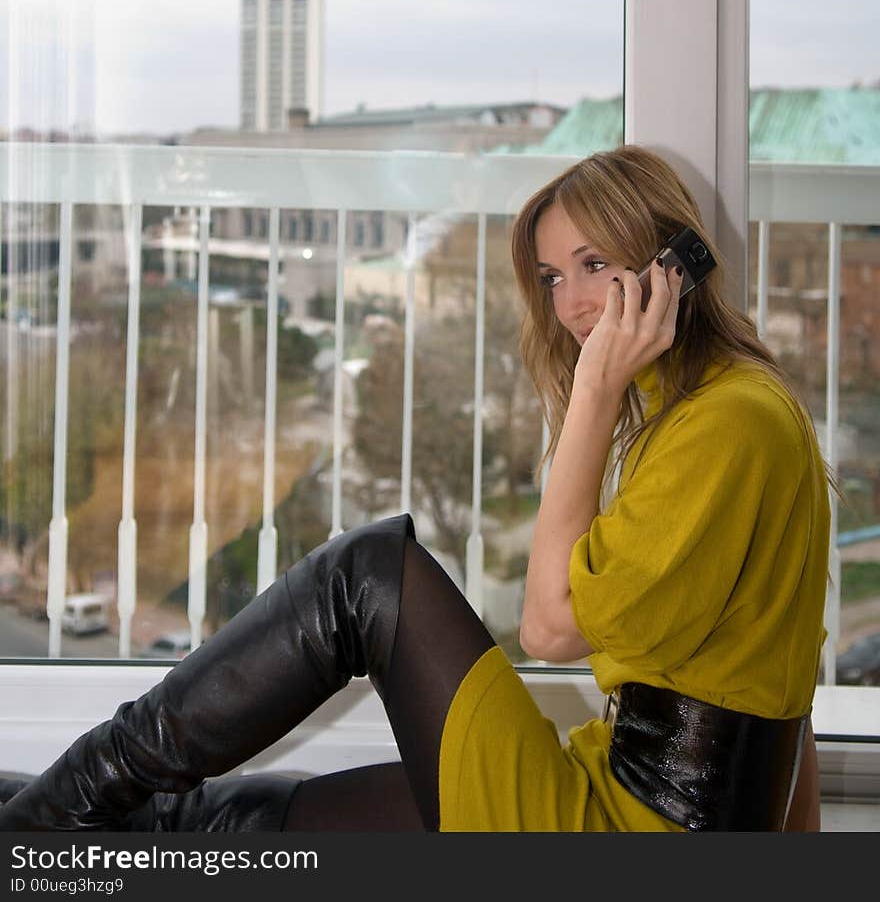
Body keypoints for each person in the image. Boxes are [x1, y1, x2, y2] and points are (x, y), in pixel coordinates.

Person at [0, 145, 831, 833]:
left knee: (369, 577)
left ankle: (42, 814)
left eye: (593, 264)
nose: (572, 303)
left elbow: (547, 625)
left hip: (628, 828)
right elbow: (786, 687)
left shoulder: (730, 423)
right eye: (550, 277)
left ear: (668, 265)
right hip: (617, 792)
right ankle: (36, 816)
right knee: (233, 818)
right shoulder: (723, 406)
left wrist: (592, 394)